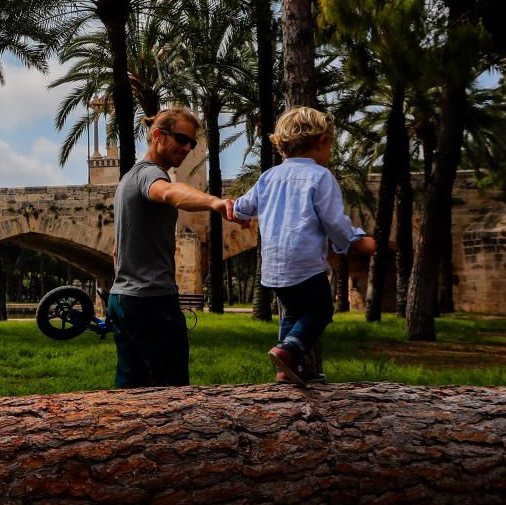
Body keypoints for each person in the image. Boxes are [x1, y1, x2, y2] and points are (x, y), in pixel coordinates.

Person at [234, 106, 376, 386]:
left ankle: (289, 369)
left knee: (293, 313)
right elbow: (334, 222)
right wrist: (356, 240)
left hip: (273, 268)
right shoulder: (321, 177)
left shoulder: (268, 177)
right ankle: (287, 351)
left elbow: (242, 207)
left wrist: (239, 215)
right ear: (323, 141)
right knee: (320, 310)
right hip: (305, 264)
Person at [108, 108, 245, 388]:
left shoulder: (127, 180)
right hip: (152, 302)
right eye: (182, 139)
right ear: (158, 135)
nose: (187, 148)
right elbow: (170, 192)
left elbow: (115, 249)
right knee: (171, 393)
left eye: (192, 143)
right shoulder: (151, 176)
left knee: (131, 389)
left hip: (123, 300)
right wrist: (214, 202)